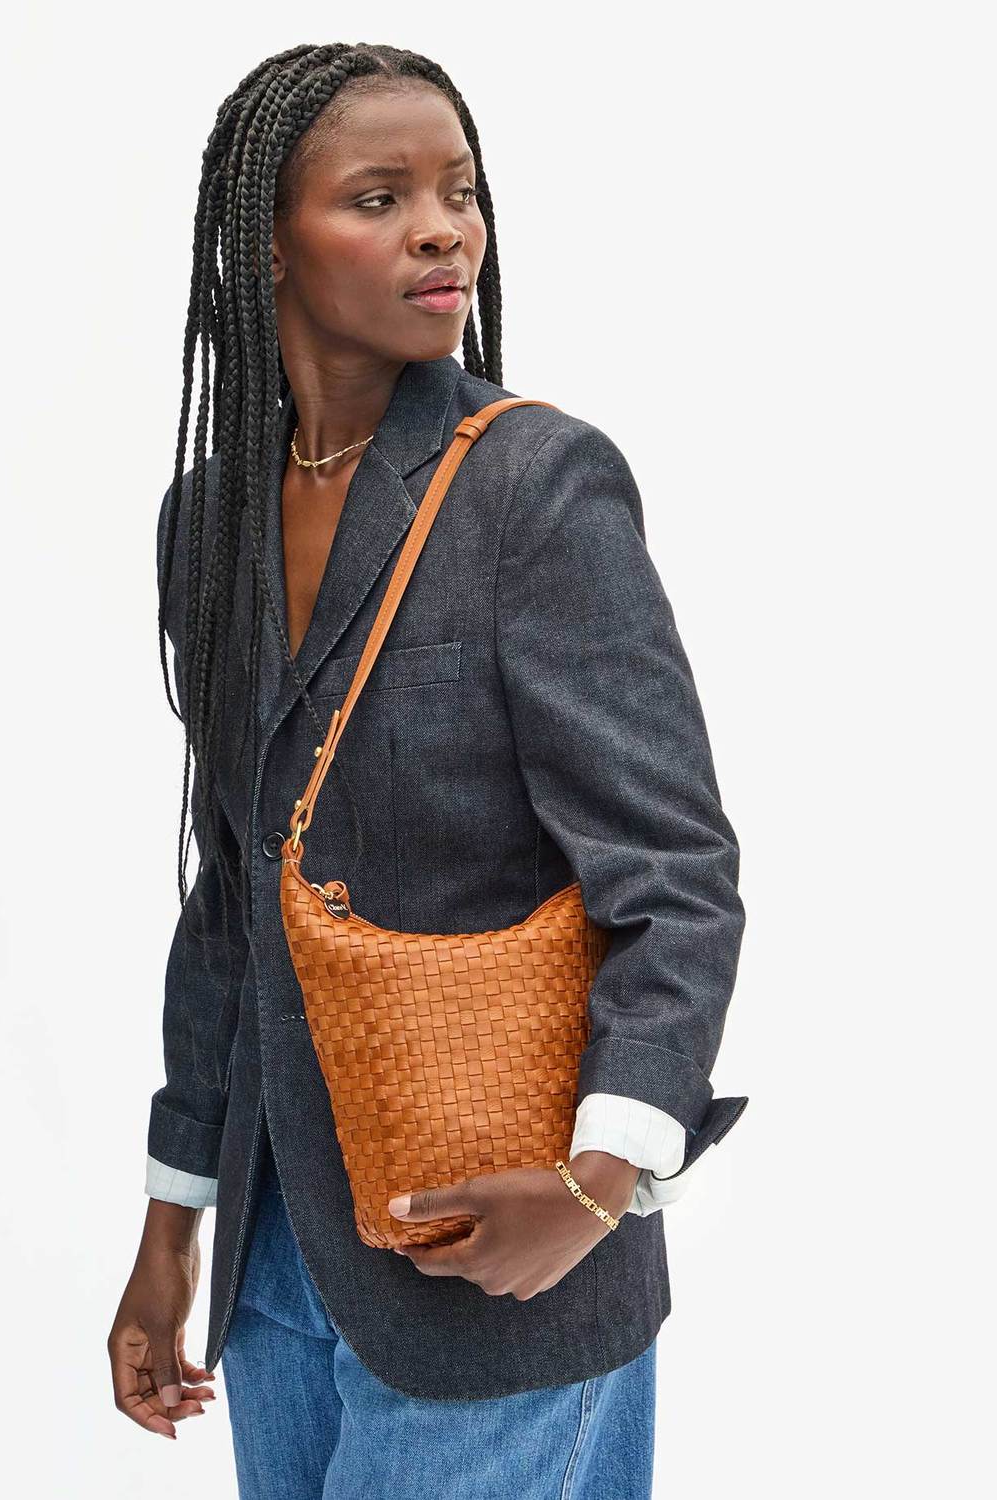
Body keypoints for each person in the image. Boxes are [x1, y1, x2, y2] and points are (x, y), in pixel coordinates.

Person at [108, 41, 748, 1498]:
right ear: (261, 237)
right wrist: (171, 1235)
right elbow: (234, 889)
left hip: (506, 1263)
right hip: (281, 1268)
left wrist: (604, 1185)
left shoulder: (534, 483)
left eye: (460, 191)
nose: (444, 228)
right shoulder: (206, 522)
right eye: (381, 196)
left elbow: (679, 880)